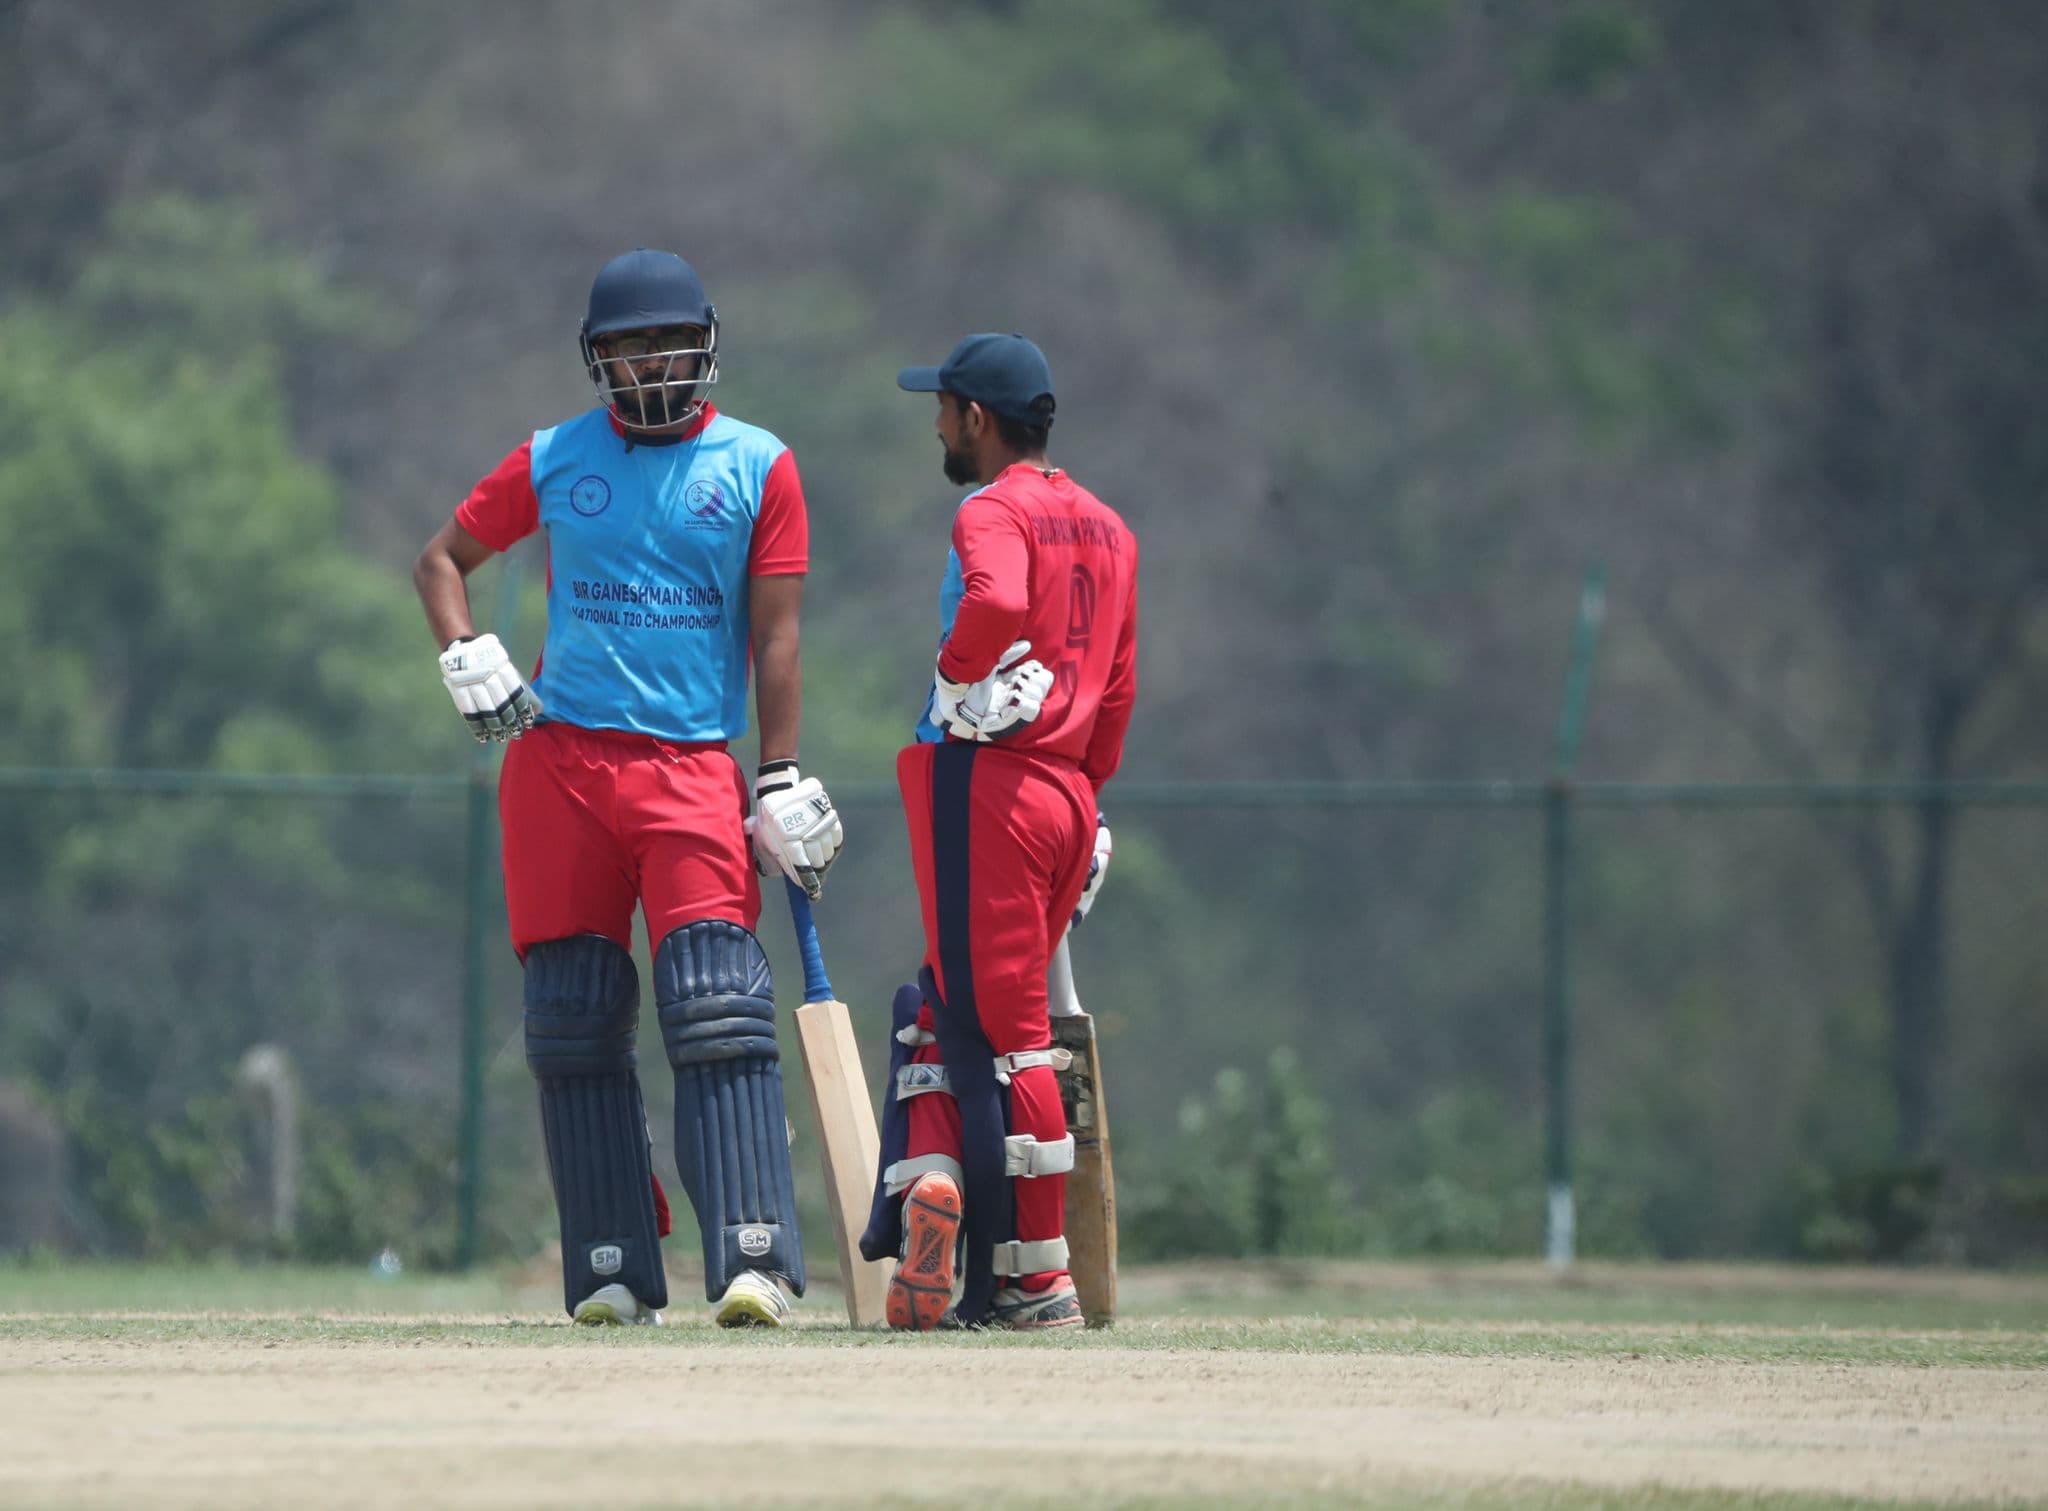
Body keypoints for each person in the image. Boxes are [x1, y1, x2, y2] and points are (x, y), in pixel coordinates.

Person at [412, 248, 843, 1328]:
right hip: (556, 765)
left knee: (715, 1001)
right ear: (595, 358)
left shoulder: (759, 465)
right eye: (624, 346)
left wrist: (778, 772)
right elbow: (440, 560)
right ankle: (610, 1264)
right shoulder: (556, 457)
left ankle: (751, 1255)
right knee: (571, 1019)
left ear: (703, 345)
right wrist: (462, 652)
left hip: (691, 764)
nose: (647, 363)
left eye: (663, 341)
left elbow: (777, 637)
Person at [863, 332, 1138, 1330]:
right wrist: (1087, 800)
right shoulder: (1109, 528)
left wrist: (952, 676)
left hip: (988, 784)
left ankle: (1031, 1272)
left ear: (976, 419)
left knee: (1011, 1040)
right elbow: (1116, 687)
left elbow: (995, 599)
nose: (935, 423)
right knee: (949, 1008)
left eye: (941, 408)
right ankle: (932, 1179)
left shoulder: (989, 507)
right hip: (1065, 789)